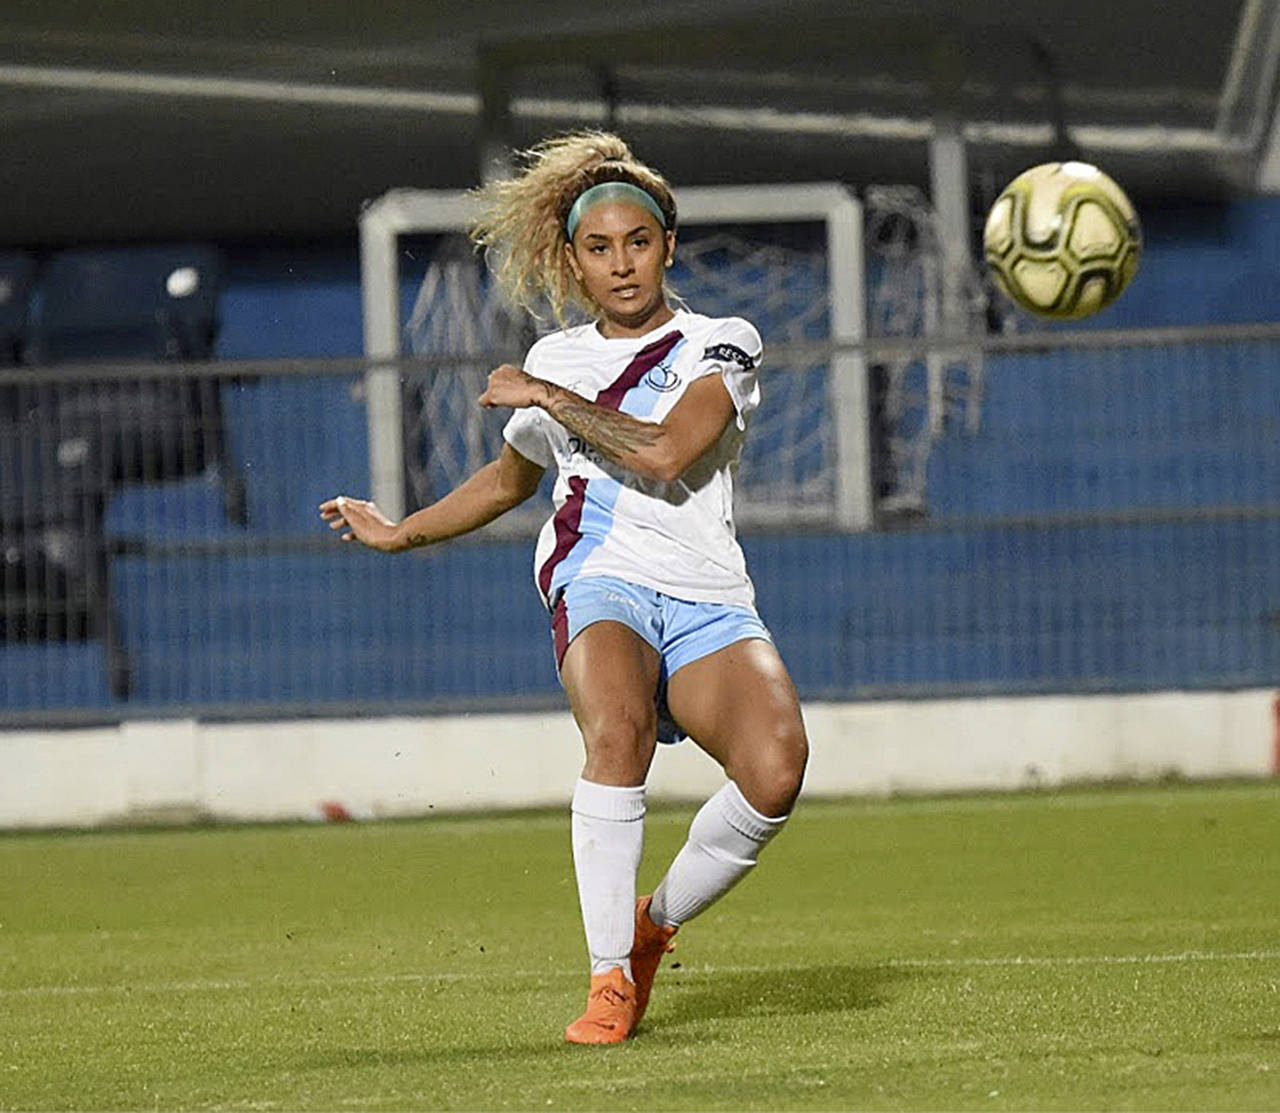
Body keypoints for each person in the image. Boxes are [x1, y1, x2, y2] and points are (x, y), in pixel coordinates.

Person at [320, 131, 808, 1045]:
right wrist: (401, 530)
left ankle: (652, 925)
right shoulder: (556, 359)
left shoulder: (721, 344)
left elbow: (666, 449)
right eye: (600, 248)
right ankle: (609, 977)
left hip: (707, 589)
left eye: (638, 242)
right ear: (574, 263)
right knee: (617, 732)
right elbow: (509, 483)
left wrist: (550, 401)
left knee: (777, 772)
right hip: (600, 577)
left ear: (669, 245)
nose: (621, 263)